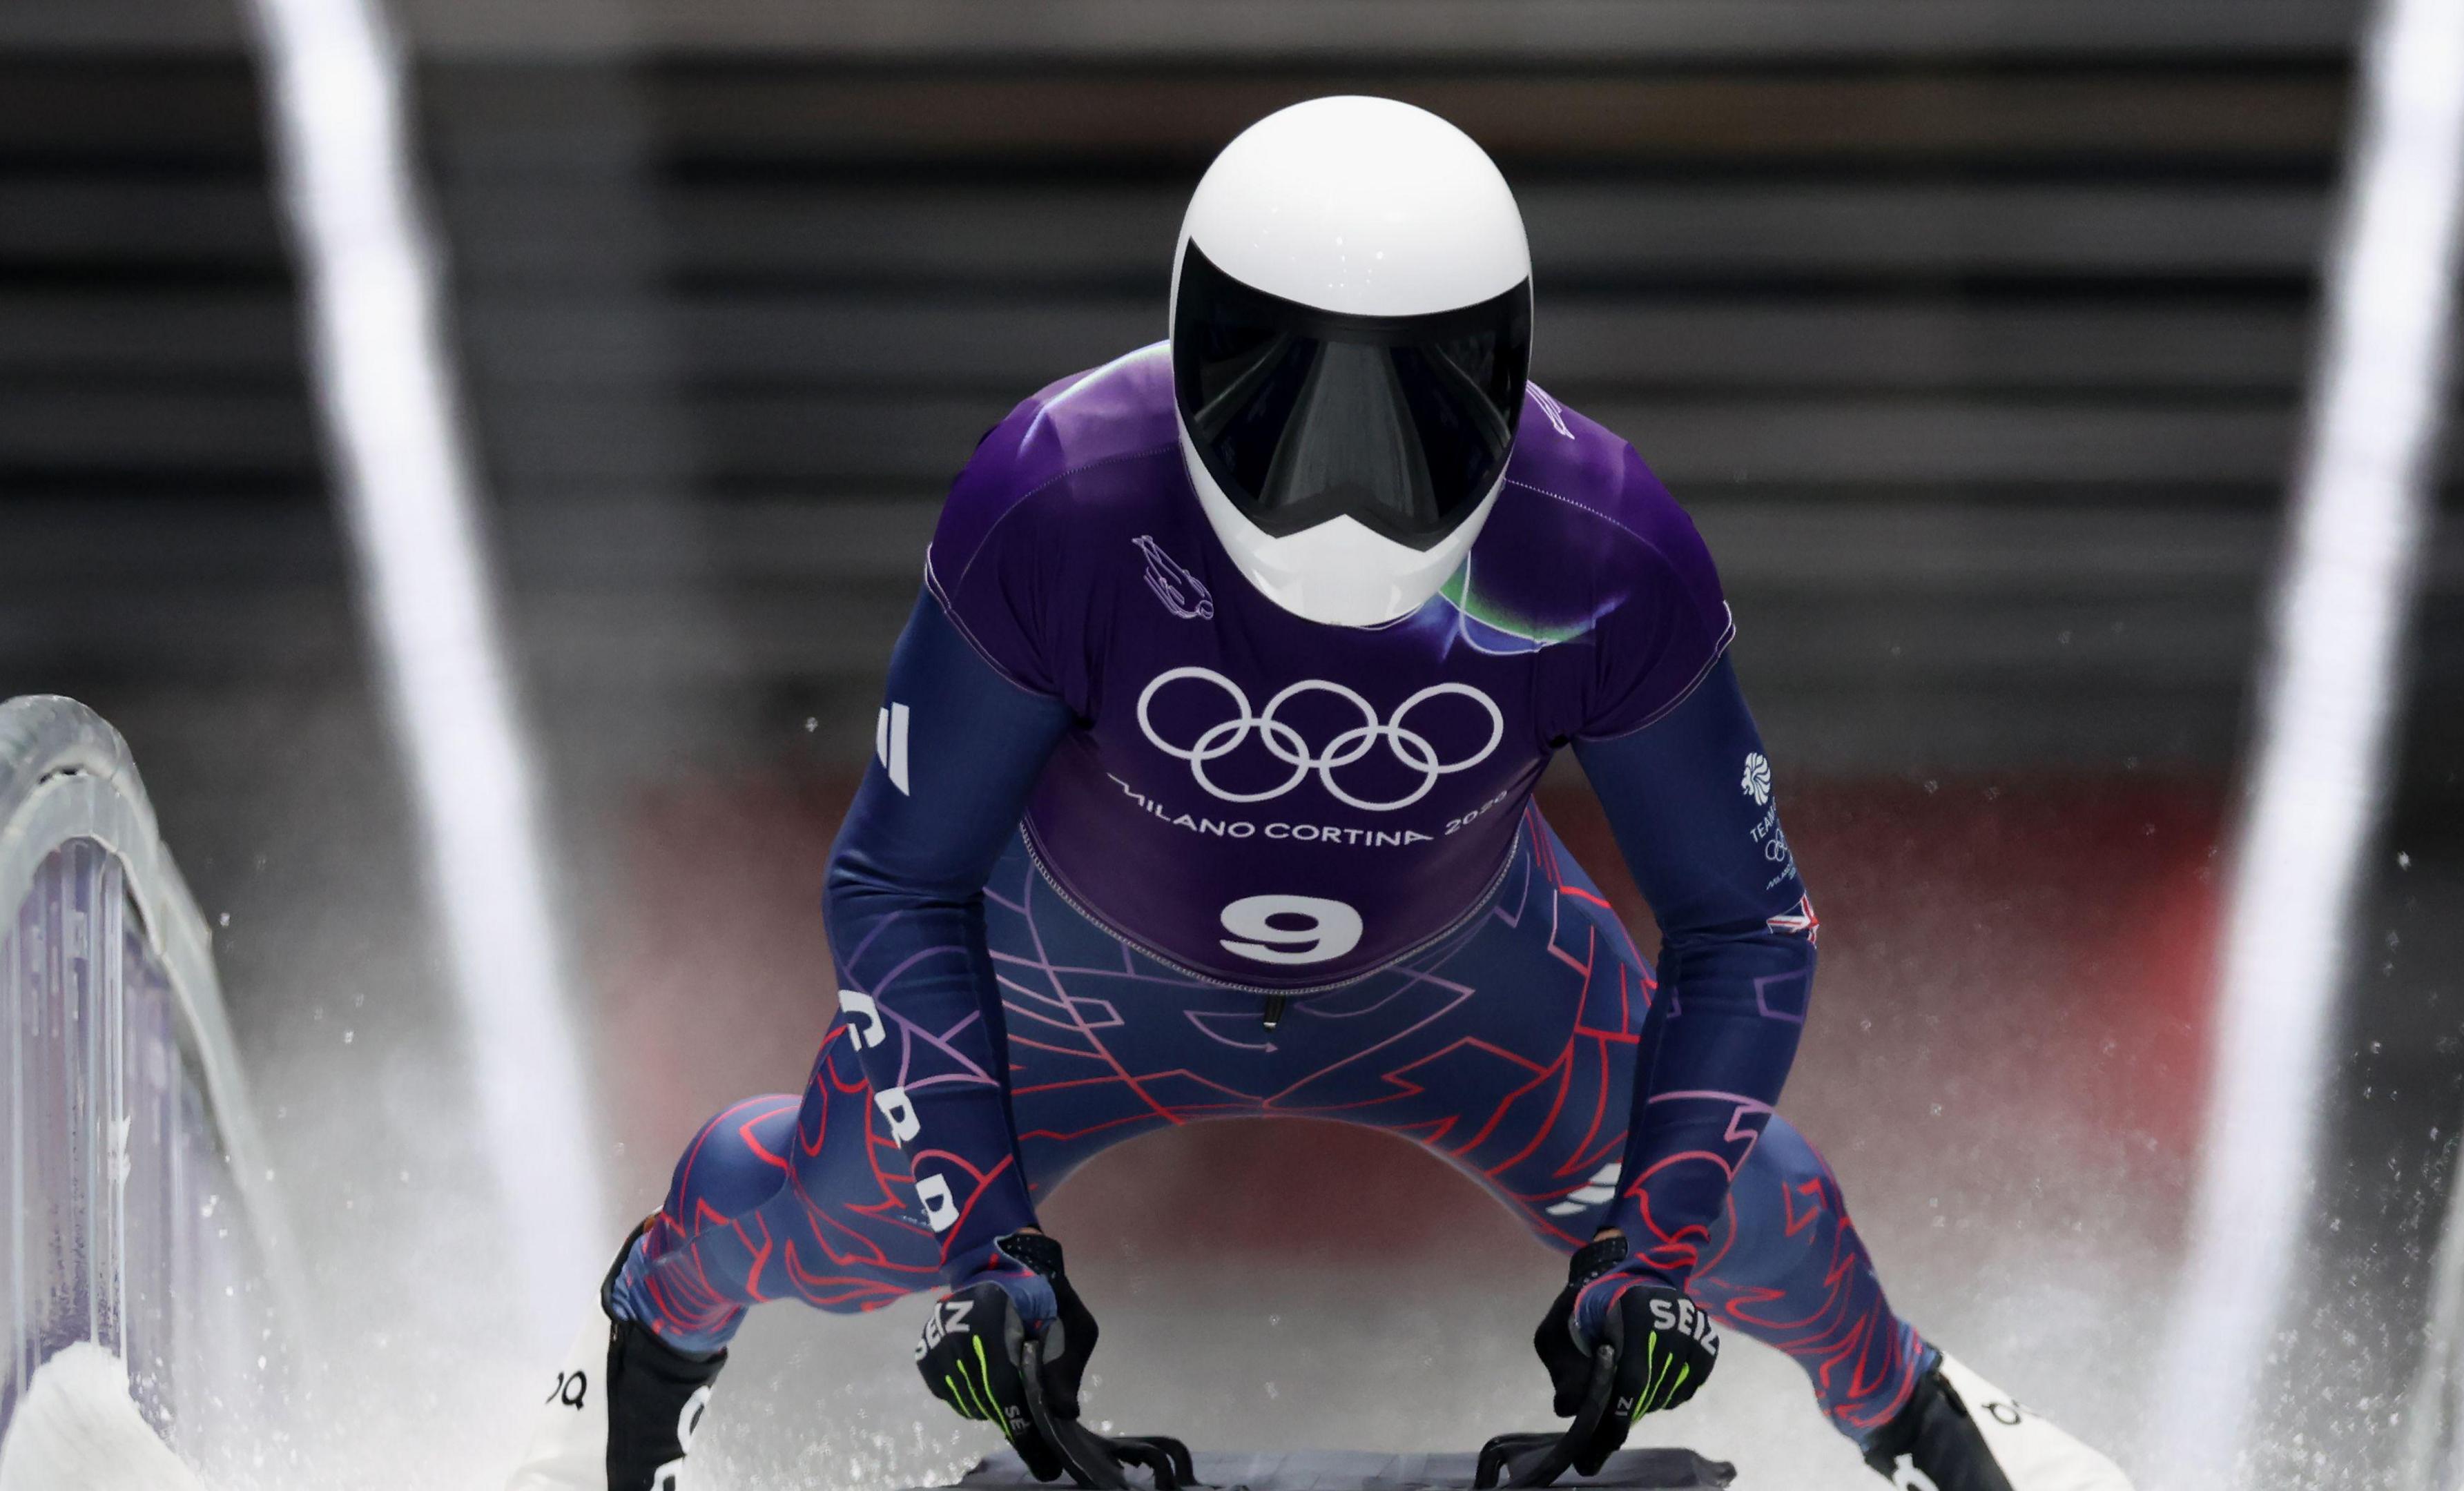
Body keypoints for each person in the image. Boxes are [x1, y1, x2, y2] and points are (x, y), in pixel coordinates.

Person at [506, 97, 2134, 1491]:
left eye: (1414, 410)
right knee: (842, 1217)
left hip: (1436, 978)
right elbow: (894, 886)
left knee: (1747, 1217)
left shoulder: (1609, 548)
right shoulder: (1055, 499)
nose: (1343, 482)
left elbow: (1747, 925)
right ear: (1189, 338)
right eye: (1284, 401)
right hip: (1094, 978)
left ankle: (1934, 1415)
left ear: (1504, 372)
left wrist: (1652, 1253)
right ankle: (629, 1362)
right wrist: (986, 1247)